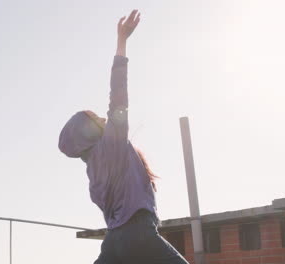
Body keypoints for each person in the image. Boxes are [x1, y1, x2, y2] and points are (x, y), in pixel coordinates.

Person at [58, 9, 190, 264]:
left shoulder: (93, 172)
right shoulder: (112, 144)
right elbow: (118, 91)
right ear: (90, 132)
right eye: (97, 118)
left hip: (115, 242)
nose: (104, 118)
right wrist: (122, 40)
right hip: (137, 233)